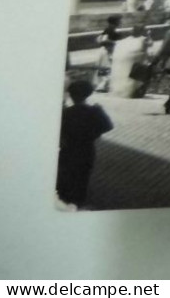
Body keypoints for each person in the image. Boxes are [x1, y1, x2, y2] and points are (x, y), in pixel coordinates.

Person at [56, 78, 113, 208]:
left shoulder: (66, 112)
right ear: (88, 94)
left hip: (68, 149)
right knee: (82, 177)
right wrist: (94, 133)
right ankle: (78, 202)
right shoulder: (94, 111)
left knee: (65, 176)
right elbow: (108, 126)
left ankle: (64, 200)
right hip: (86, 148)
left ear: (70, 94)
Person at [95, 15, 123, 93]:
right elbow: (103, 40)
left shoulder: (111, 30)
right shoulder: (109, 30)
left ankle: (103, 85)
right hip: (106, 51)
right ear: (115, 22)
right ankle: (102, 86)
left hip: (108, 50)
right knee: (106, 67)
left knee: (107, 68)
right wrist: (116, 42)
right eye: (119, 21)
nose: (120, 22)